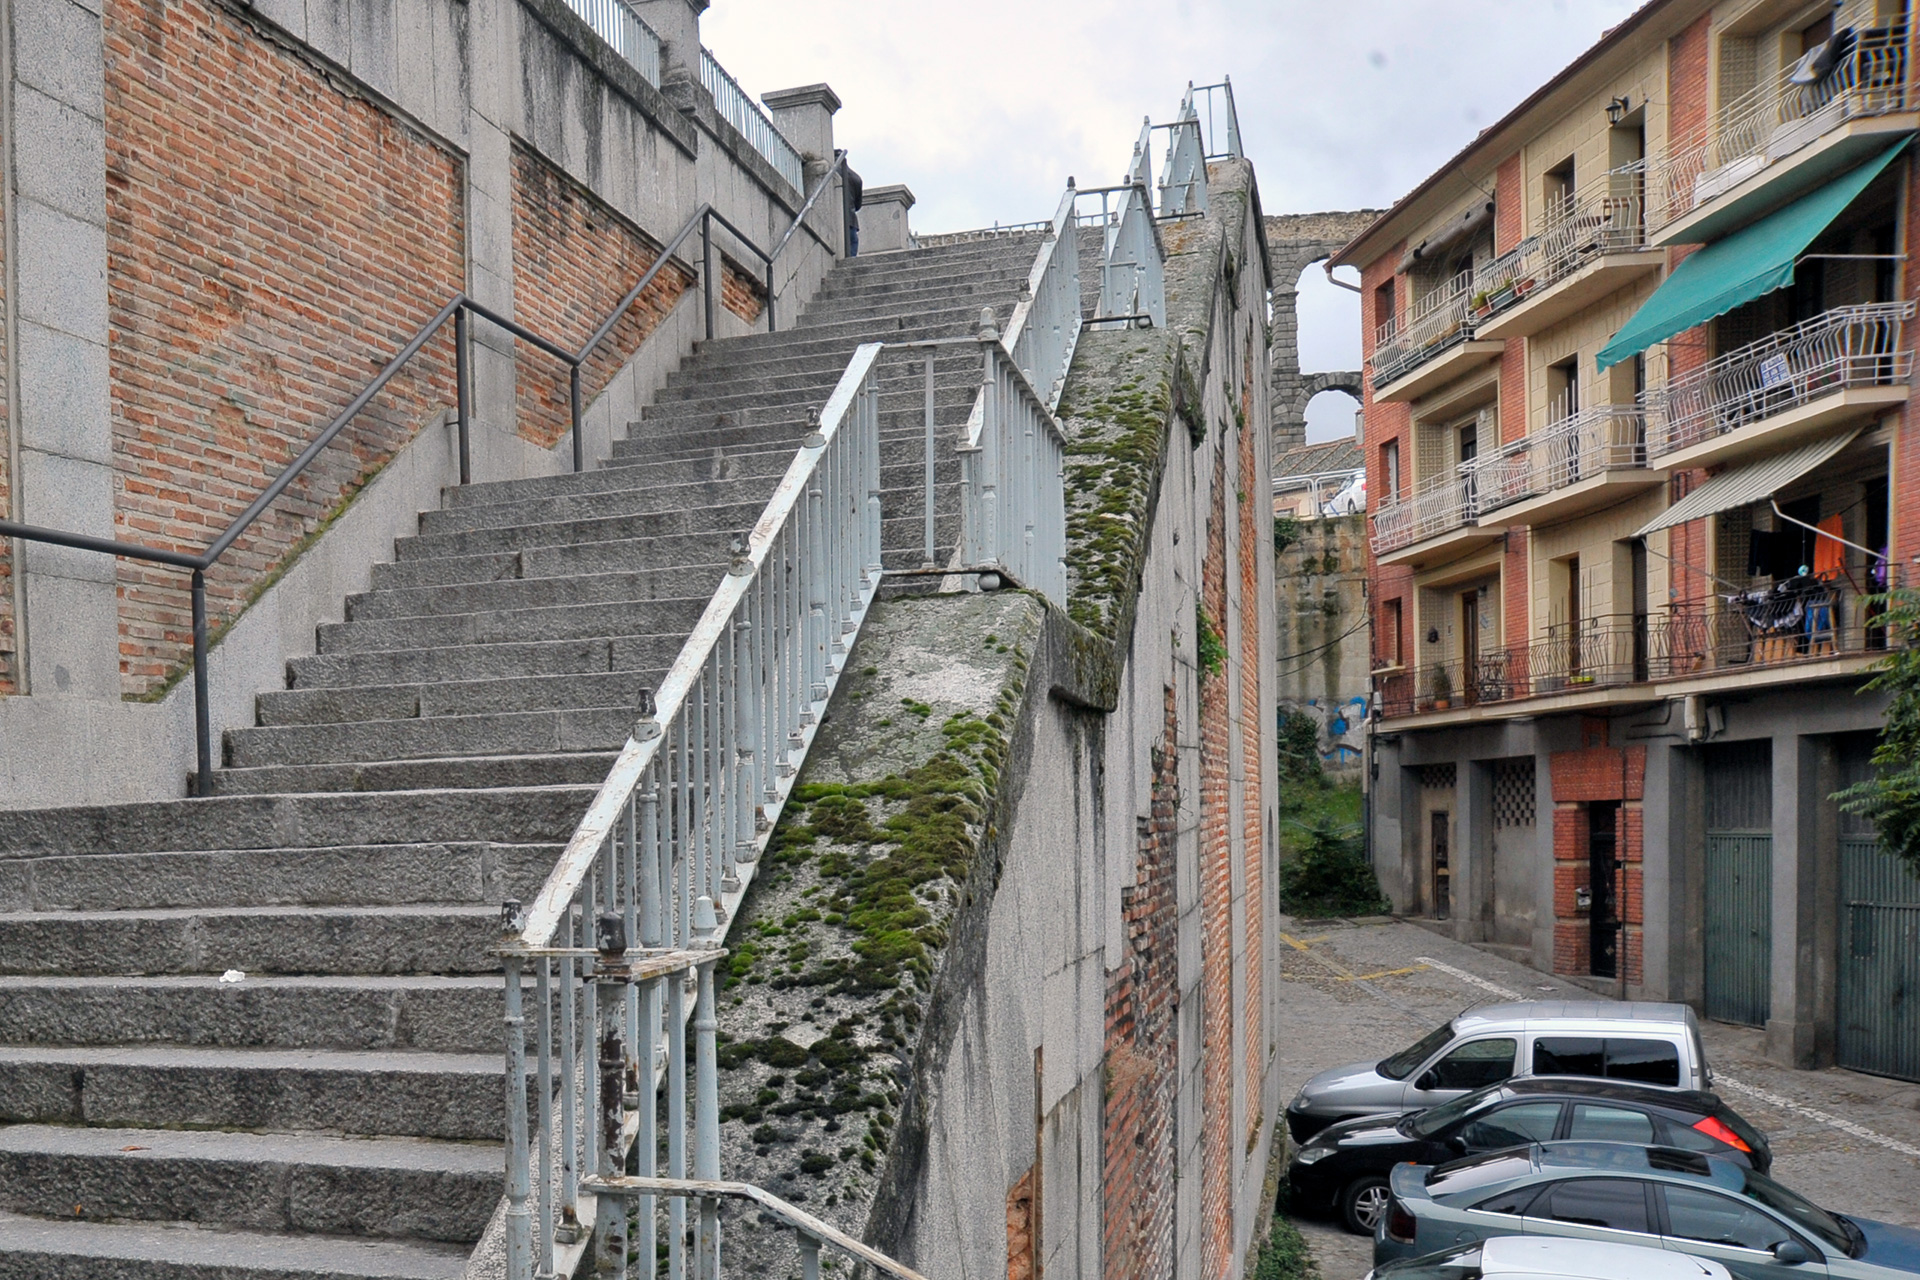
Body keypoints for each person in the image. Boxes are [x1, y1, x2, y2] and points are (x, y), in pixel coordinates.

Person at [842, 158, 864, 257]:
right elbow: (858, 205)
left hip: (835, 219)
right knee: (852, 245)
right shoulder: (855, 178)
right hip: (850, 219)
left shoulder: (832, 173)